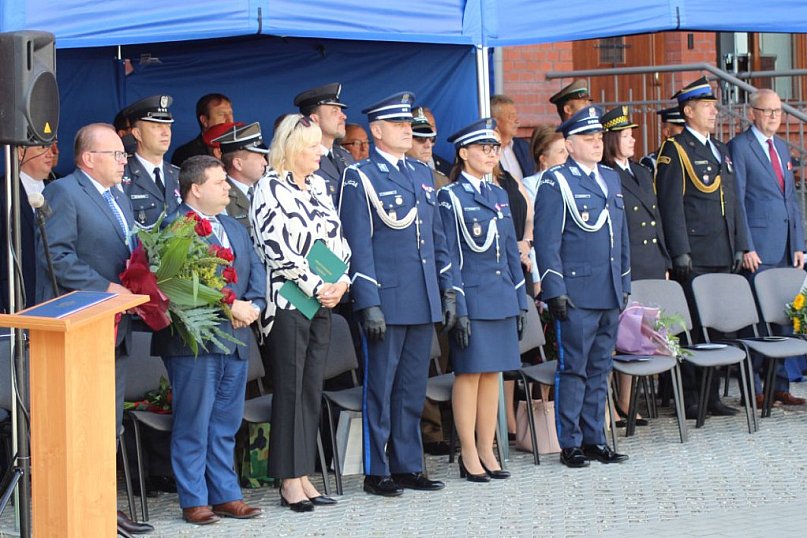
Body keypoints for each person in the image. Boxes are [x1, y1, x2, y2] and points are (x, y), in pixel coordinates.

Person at [35, 123, 154, 536]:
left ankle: (104, 506)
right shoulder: (65, 193)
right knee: (83, 424)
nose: (125, 162)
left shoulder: (117, 195)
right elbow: (56, 256)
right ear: (89, 159)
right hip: (80, 326)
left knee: (107, 423)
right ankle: (83, 510)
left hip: (113, 328)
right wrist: (106, 288)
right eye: (117, 155)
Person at [339, 91, 458, 497]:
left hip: (421, 297)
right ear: (376, 131)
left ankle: (408, 463)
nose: (410, 129)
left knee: (411, 387)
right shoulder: (361, 176)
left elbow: (438, 239)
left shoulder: (421, 173)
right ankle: (377, 468)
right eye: (399, 124)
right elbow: (359, 243)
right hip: (386, 299)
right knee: (381, 385)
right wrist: (367, 300)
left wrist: (448, 290)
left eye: (410, 123)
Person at [152, 155, 266, 525]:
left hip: (235, 338)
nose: (228, 188)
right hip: (194, 343)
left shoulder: (232, 226)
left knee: (225, 422)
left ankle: (225, 494)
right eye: (220, 183)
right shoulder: (174, 226)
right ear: (196, 188)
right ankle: (194, 498)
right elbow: (178, 284)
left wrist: (255, 304)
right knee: (193, 421)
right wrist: (229, 305)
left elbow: (255, 268)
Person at [249, 115, 351, 511]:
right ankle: (288, 480)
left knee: (311, 389)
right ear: (292, 149)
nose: (321, 152)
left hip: (324, 297)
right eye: (312, 147)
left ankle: (305, 474)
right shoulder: (267, 188)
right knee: (290, 390)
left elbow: (337, 240)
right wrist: (316, 285)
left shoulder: (320, 185)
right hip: (290, 301)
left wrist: (341, 282)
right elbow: (275, 249)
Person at [533, 106, 630, 468]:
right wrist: (554, 288)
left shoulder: (610, 178)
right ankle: (570, 442)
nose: (596, 144)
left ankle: (595, 438)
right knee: (573, 367)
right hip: (576, 291)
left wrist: (624, 283)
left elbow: (620, 237)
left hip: (607, 290)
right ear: (569, 144)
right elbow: (547, 241)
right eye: (588, 139)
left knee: (601, 367)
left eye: (599, 138)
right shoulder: (557, 181)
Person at [438, 118, 528, 481]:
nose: (491, 155)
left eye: (494, 149)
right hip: (472, 298)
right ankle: (468, 452)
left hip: (501, 295)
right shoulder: (451, 196)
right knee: (470, 374)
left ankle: (488, 447)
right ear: (463, 153)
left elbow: (510, 249)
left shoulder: (498, 194)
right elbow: (448, 254)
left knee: (493, 373)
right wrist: (456, 304)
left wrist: (520, 299)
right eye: (482, 149)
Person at [655, 76, 748, 418]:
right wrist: (679, 250)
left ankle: (712, 394)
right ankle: (692, 396)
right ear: (689, 111)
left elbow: (732, 201)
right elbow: (671, 205)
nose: (714, 112)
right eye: (707, 106)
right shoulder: (675, 150)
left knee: (720, 324)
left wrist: (739, 244)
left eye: (713, 106)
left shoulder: (720, 150)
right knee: (692, 326)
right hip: (694, 254)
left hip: (722, 251)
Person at [729, 88, 807, 407]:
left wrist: (800, 245)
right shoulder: (740, 147)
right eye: (768, 110)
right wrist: (746, 245)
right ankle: (756, 387)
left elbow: (791, 199)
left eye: (778, 111)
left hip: (787, 249)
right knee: (758, 321)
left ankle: (780, 386)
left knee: (783, 319)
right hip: (758, 250)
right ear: (752, 114)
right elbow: (738, 201)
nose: (774, 116)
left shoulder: (781, 149)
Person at [601, 105, 671, 425]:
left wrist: (664, 258)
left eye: (632, 136)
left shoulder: (642, 171)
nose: (632, 141)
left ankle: (628, 401)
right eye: (626, 136)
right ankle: (610, 405)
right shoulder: (605, 174)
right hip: (625, 265)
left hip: (650, 262)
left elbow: (655, 219)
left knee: (636, 337)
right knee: (616, 338)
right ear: (612, 139)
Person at [1, 143, 58, 312]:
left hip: (58, 296)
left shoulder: (61, 186)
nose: (50, 153)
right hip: (18, 298)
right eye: (42, 148)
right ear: (20, 152)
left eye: (52, 148)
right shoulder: (4, 192)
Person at [121, 95, 181, 228]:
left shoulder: (179, 175)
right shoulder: (121, 175)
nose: (166, 132)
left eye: (168, 126)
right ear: (137, 133)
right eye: (157, 126)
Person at [294, 83, 355, 207]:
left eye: (341, 111)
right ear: (315, 119)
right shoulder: (300, 159)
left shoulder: (346, 156)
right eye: (334, 111)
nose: (343, 116)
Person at [217, 122, 269, 234]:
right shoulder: (220, 196)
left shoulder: (266, 189)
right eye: (259, 156)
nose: (265, 162)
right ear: (238, 164)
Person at [171, 93, 234, 166]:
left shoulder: (240, 146)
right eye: (221, 114)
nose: (230, 121)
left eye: (230, 114)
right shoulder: (186, 154)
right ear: (204, 120)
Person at [490, 95, 535, 181]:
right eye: (511, 116)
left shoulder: (524, 147)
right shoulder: (487, 151)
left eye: (516, 115)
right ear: (495, 121)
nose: (517, 121)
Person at [409, 107, 449, 189]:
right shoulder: (396, 174)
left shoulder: (442, 179)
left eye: (431, 139)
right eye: (420, 139)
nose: (428, 145)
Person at [640, 107, 685, 174]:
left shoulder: (696, 157)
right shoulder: (651, 162)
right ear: (667, 132)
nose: (686, 133)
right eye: (682, 129)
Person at [417, 106, 452, 176]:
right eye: (423, 126)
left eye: (432, 126)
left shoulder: (447, 168)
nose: (429, 130)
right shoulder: (401, 167)